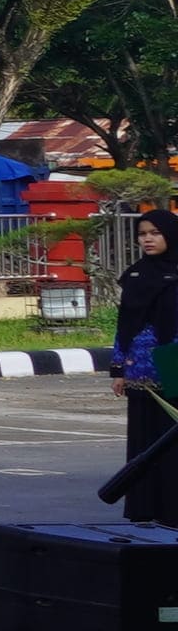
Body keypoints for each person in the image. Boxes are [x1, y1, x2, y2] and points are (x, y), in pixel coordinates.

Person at [114, 210, 178, 523]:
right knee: (142, 441)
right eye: (142, 234)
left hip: (173, 365)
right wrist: (118, 369)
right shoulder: (136, 275)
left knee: (171, 443)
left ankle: (172, 510)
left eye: (155, 232)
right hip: (138, 368)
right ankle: (142, 509)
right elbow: (124, 324)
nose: (148, 239)